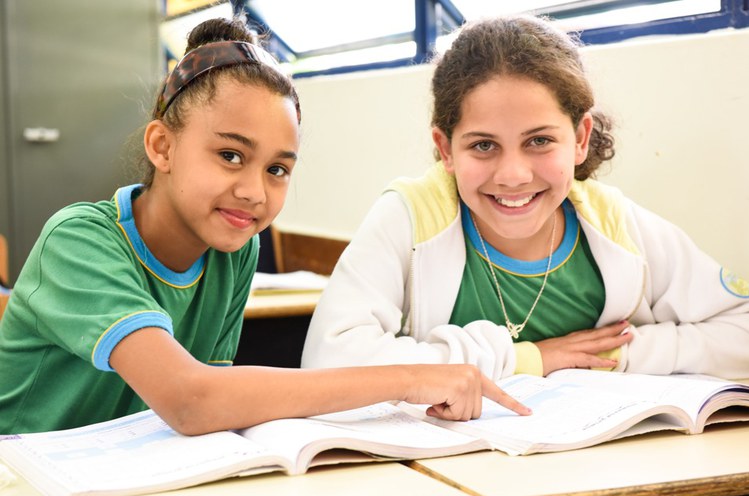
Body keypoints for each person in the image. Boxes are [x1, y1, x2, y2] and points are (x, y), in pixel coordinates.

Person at [0, 17, 530, 435]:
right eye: (231, 155)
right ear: (162, 146)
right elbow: (190, 399)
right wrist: (411, 379)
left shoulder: (233, 250)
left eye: (277, 169)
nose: (255, 191)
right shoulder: (76, 240)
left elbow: (219, 396)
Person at [302, 15, 749, 380]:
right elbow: (328, 361)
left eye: (539, 141)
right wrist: (527, 360)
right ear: (445, 149)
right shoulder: (410, 217)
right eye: (483, 145)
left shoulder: (613, 224)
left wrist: (616, 353)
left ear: (580, 138)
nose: (513, 175)